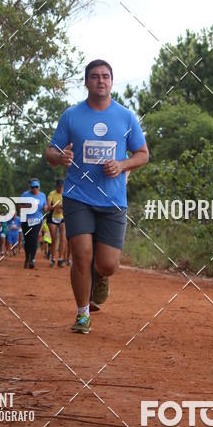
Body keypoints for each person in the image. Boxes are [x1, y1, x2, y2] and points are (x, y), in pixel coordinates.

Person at [45, 59, 149, 334]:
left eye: (105, 76)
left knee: (107, 263)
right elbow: (50, 153)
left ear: (111, 81)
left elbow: (143, 154)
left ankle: (100, 276)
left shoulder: (126, 117)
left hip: (113, 200)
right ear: (86, 82)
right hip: (78, 195)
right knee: (81, 254)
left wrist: (122, 165)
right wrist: (60, 156)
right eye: (94, 76)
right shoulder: (71, 116)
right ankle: (82, 313)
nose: (100, 81)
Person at [17, 179, 49, 269]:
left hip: (37, 220)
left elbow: (44, 206)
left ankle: (32, 259)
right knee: (27, 241)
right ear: (30, 187)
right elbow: (19, 206)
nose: (35, 189)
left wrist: (46, 207)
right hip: (26, 221)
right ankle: (27, 257)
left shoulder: (42, 195)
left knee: (34, 239)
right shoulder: (25, 195)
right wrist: (28, 206)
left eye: (36, 187)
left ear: (39, 187)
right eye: (33, 187)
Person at [47, 178, 67, 267]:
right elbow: (48, 207)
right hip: (53, 217)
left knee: (63, 238)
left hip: (63, 217)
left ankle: (60, 259)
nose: (60, 188)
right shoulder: (52, 194)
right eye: (59, 186)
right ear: (56, 186)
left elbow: (70, 206)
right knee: (54, 239)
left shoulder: (67, 194)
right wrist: (56, 206)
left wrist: (61, 207)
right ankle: (53, 259)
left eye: (62, 187)